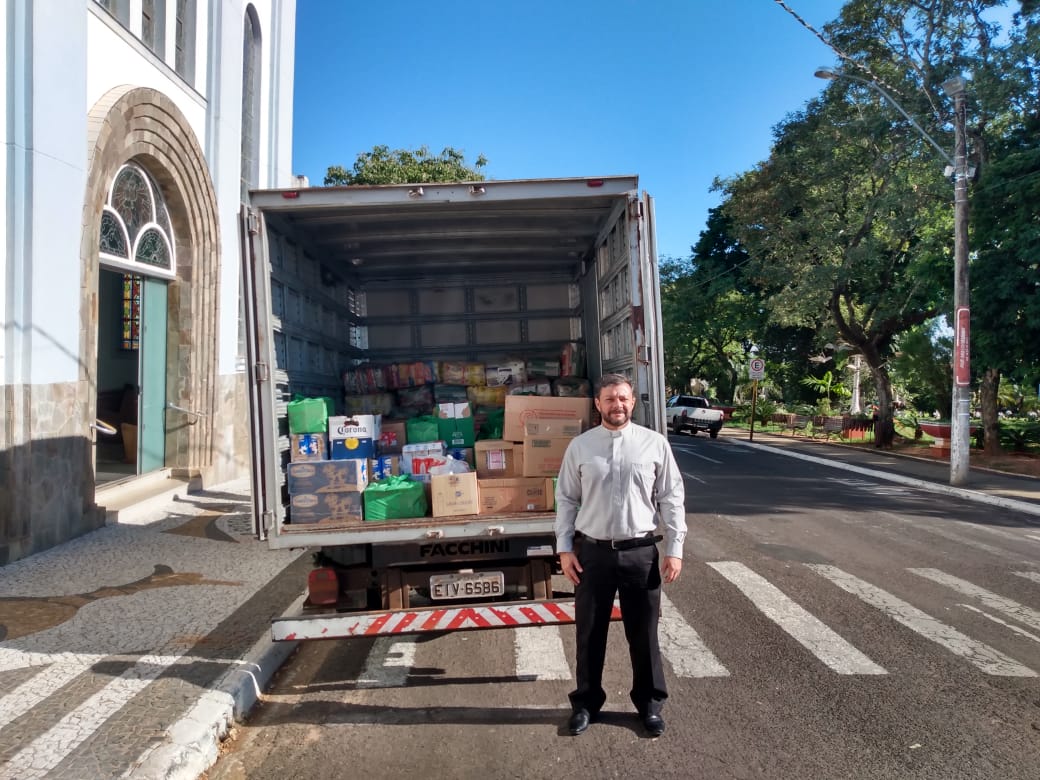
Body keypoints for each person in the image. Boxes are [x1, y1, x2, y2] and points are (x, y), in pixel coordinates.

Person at [554, 373, 687, 737]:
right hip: (593, 554)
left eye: (624, 398)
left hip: (640, 553)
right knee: (589, 633)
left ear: (632, 402)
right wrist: (564, 548)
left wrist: (674, 549)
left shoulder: (654, 444)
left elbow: (671, 498)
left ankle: (649, 705)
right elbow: (566, 498)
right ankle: (585, 704)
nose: (618, 405)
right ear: (597, 404)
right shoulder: (580, 447)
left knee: (644, 635)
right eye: (610, 399)